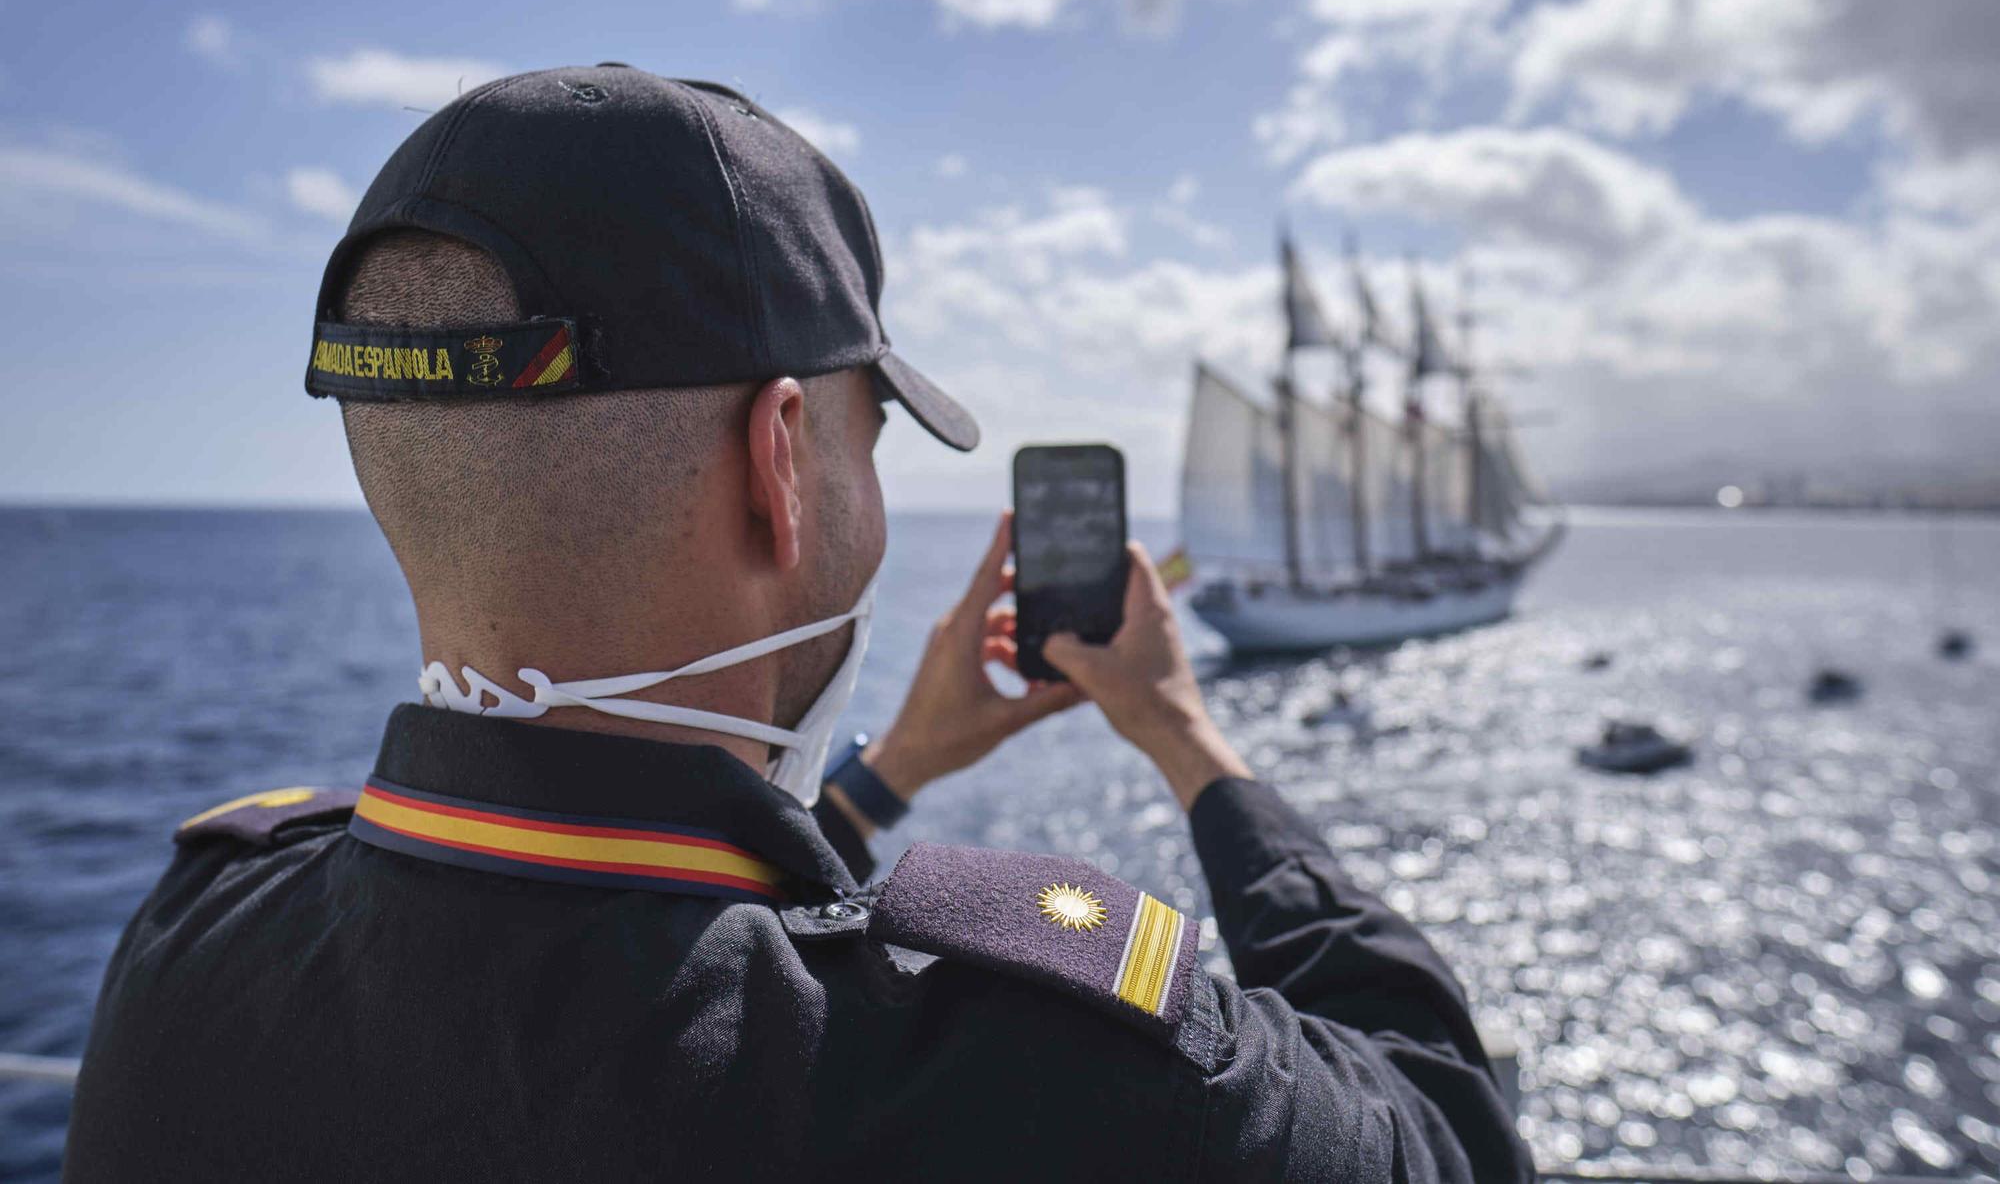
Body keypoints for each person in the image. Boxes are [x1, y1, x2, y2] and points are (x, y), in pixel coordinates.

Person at [64, 65, 1531, 1183]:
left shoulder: (185, 946)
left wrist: (893, 769)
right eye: (869, 439)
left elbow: (639, 931)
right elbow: (1447, 1125)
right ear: (779, 461)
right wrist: (1190, 735)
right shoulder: (1036, 1084)